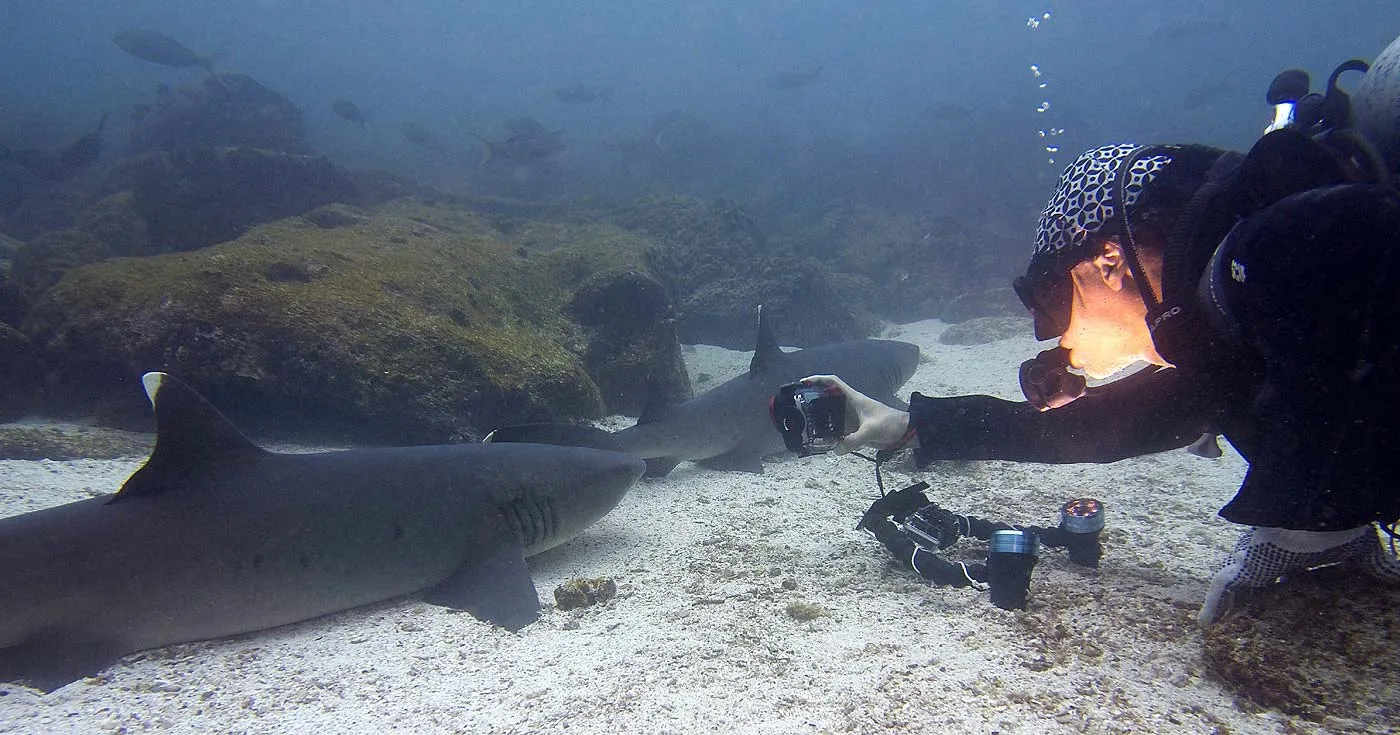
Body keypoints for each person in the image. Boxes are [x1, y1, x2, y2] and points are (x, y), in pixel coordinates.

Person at [807, 51, 1400, 625]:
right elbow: (1097, 427)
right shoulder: (1223, 335)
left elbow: (1361, 238)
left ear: (1109, 261)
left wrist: (1308, 515)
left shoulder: (1265, 251)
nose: (1052, 334)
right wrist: (911, 425)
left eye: (1052, 301)